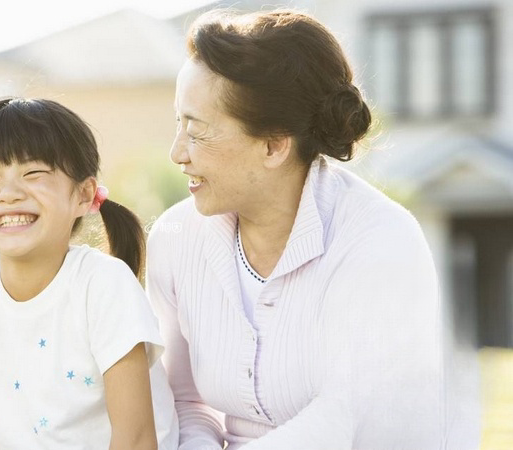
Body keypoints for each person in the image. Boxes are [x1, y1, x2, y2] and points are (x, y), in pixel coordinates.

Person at [146, 9, 460, 450]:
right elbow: (186, 401)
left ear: (274, 145)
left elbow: (346, 418)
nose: (178, 152)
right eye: (178, 124)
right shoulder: (176, 238)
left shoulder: (381, 243)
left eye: (196, 131)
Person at [0, 98, 178, 450]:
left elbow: (137, 439)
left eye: (33, 174)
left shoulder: (104, 284)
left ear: (83, 194)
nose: (9, 194)